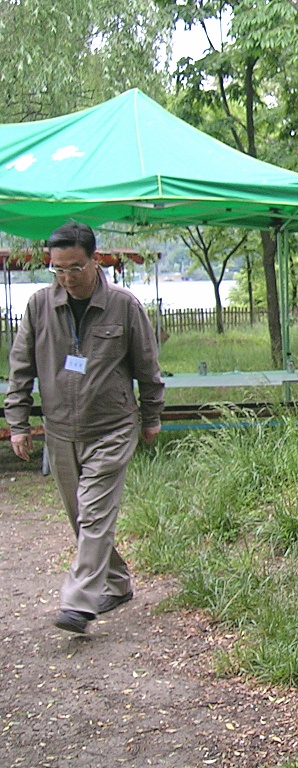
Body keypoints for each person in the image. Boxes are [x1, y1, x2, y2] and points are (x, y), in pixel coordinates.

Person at [5, 221, 164, 634]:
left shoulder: (124, 306)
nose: (66, 277)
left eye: (75, 267)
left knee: (94, 513)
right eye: (58, 269)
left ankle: (78, 602)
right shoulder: (39, 306)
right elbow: (20, 369)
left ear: (95, 260)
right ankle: (118, 582)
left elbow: (148, 367)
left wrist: (152, 416)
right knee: (81, 518)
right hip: (60, 430)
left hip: (112, 427)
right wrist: (18, 423)